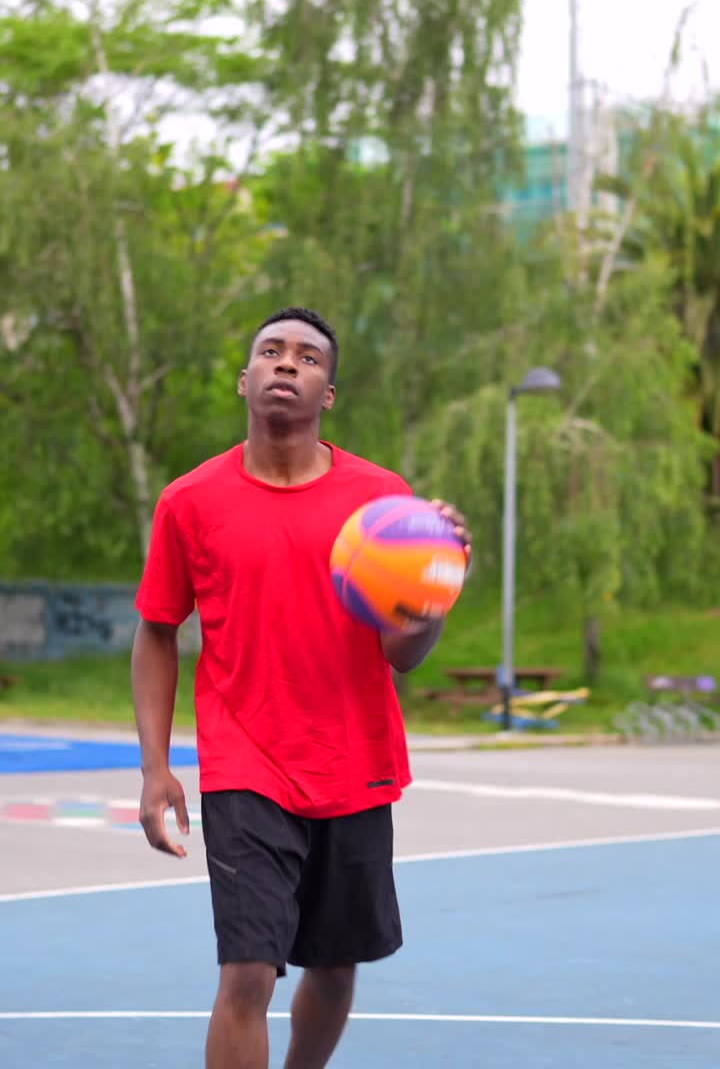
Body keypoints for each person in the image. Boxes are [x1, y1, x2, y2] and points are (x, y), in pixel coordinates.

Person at [132, 306, 472, 1069]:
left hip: (354, 761)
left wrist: (433, 600)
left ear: (329, 395)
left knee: (333, 963)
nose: (288, 364)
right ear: (245, 379)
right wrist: (155, 769)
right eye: (272, 352)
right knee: (248, 969)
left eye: (308, 357)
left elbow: (404, 654)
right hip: (245, 762)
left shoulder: (384, 501)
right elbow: (157, 628)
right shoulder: (190, 500)